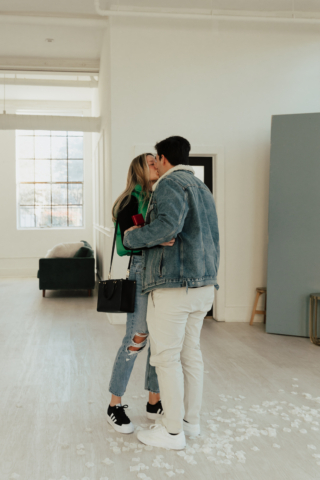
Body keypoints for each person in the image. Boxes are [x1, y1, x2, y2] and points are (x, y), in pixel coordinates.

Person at [123, 136, 220, 450]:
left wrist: (133, 234)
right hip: (204, 285)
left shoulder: (168, 184)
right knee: (190, 355)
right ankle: (191, 423)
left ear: (163, 158)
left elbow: (166, 228)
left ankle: (172, 431)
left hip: (174, 285)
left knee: (166, 358)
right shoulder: (203, 188)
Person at [107, 153, 175, 434]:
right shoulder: (128, 201)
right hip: (139, 270)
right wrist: (157, 237)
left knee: (159, 339)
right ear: (139, 168)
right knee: (136, 338)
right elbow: (125, 245)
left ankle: (153, 401)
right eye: (150, 162)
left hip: (161, 271)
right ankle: (114, 404)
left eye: (156, 160)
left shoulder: (159, 197)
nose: (156, 164)